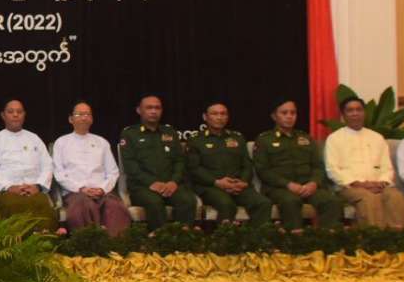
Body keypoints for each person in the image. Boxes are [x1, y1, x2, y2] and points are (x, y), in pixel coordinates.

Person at [252, 100, 343, 228]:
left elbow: (318, 166)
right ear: (274, 116)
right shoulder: (264, 140)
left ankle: (326, 238)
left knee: (331, 201)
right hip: (279, 188)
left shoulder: (305, 138)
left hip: (308, 187)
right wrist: (288, 184)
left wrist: (314, 183)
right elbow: (263, 171)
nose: (289, 116)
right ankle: (294, 238)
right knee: (291, 201)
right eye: (284, 113)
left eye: (293, 113)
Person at [325, 96, 404, 229]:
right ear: (343, 115)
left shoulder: (377, 137)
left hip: (379, 185)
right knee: (370, 198)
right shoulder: (334, 138)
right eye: (350, 110)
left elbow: (387, 167)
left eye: (358, 109)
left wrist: (382, 182)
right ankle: (374, 238)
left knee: (396, 196)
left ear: (364, 113)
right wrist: (359, 184)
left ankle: (402, 237)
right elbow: (332, 169)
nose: (355, 113)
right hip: (349, 187)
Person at [50, 101, 131, 234]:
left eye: (88, 114)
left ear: (92, 119)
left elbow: (113, 172)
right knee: (83, 206)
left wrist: (102, 189)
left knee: (115, 207)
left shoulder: (102, 142)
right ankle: (89, 244)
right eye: (79, 114)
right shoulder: (61, 142)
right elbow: (58, 173)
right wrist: (81, 188)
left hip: (102, 192)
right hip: (75, 193)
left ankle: (114, 244)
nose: (84, 117)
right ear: (70, 119)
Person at [186, 102, 272, 225]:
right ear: (205, 117)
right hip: (211, 187)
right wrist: (217, 182)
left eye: (223, 114)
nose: (219, 117)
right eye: (215, 114)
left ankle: (255, 236)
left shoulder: (237, 138)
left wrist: (243, 182)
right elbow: (194, 168)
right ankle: (224, 237)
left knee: (263, 203)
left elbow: (247, 164)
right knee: (226, 204)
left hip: (238, 186)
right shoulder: (196, 140)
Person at [118, 95, 198, 225]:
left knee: (187, 200)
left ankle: (182, 236)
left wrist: (174, 181)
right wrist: (151, 183)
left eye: (157, 108)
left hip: (170, 184)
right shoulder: (129, 134)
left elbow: (179, 160)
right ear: (139, 110)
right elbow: (130, 165)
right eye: (149, 108)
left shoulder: (170, 132)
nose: (153, 111)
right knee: (154, 203)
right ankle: (159, 237)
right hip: (143, 187)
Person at [0, 99, 56, 229]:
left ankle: (44, 240)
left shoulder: (34, 139)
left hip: (33, 189)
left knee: (42, 203)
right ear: (3, 115)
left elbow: (47, 165)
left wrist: (38, 186)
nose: (15, 115)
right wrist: (9, 187)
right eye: (11, 112)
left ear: (24, 115)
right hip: (6, 192)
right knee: (14, 204)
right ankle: (17, 242)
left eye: (19, 111)